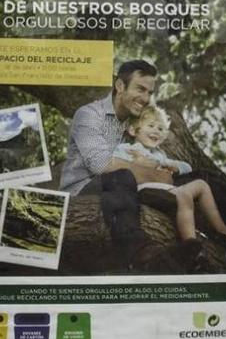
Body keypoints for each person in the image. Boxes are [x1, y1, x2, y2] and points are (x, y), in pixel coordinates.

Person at [60, 60, 172, 242]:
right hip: (81, 191)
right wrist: (156, 176)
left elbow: (155, 160)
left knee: (199, 178)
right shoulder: (89, 114)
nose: (145, 98)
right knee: (122, 176)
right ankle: (138, 249)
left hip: (125, 190)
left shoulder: (136, 123)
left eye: (149, 93)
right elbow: (102, 165)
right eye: (140, 89)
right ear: (120, 85)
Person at [114, 105, 226, 246]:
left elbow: (186, 166)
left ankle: (224, 234)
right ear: (134, 130)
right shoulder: (127, 149)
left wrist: (173, 168)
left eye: (160, 128)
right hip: (144, 190)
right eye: (151, 125)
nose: (156, 131)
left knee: (201, 185)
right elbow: (113, 164)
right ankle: (190, 242)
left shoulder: (160, 155)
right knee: (184, 195)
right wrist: (141, 164)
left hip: (165, 189)